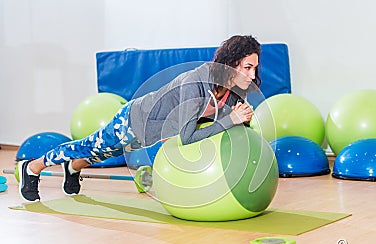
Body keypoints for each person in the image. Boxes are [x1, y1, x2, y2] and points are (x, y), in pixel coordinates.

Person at [15, 35, 262, 202]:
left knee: (105, 153)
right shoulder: (195, 83)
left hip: (152, 134)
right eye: (247, 67)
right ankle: (33, 167)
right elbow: (188, 137)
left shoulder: (230, 90)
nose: (252, 75)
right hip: (133, 121)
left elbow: (228, 126)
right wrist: (231, 119)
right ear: (230, 64)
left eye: (255, 68)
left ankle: (72, 167)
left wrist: (243, 119)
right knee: (89, 146)